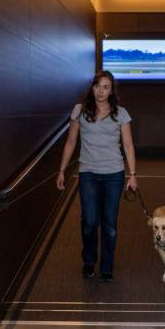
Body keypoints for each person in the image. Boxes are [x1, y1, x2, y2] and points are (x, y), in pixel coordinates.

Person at [56, 71, 138, 282]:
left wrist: (133, 174)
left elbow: (128, 145)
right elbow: (71, 142)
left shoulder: (121, 113)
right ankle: (89, 261)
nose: (101, 91)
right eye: (98, 86)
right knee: (90, 221)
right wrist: (62, 170)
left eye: (106, 87)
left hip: (114, 174)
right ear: (92, 87)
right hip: (88, 173)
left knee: (110, 224)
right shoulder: (79, 111)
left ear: (111, 91)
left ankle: (106, 267)